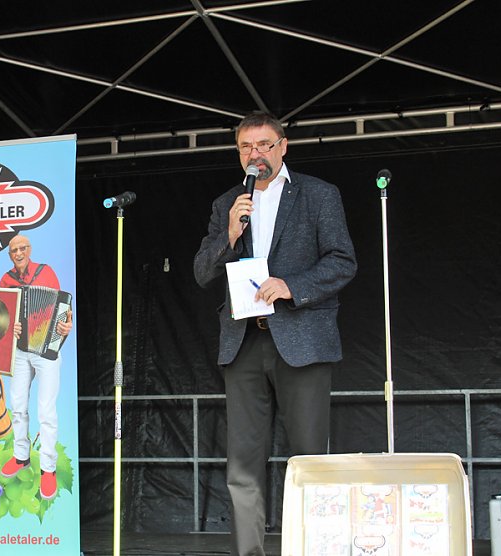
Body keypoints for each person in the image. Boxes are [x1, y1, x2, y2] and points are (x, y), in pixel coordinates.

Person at [193, 111, 357, 556]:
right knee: (243, 463)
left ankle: (314, 548)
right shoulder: (228, 202)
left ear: (284, 146)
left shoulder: (319, 196)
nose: (255, 155)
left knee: (307, 458)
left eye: (264, 145)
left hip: (301, 340)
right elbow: (203, 272)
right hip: (244, 343)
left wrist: (292, 287)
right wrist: (229, 234)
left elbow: (343, 260)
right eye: (246, 147)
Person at [0, 234, 72, 501]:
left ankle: (48, 469)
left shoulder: (46, 272)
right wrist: (9, 328)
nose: (18, 252)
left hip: (46, 350)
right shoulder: (5, 281)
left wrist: (65, 325)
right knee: (17, 406)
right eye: (14, 250)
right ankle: (21, 457)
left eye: (22, 248)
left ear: (29, 249)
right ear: (9, 254)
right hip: (19, 350)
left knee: (46, 411)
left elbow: (63, 310)